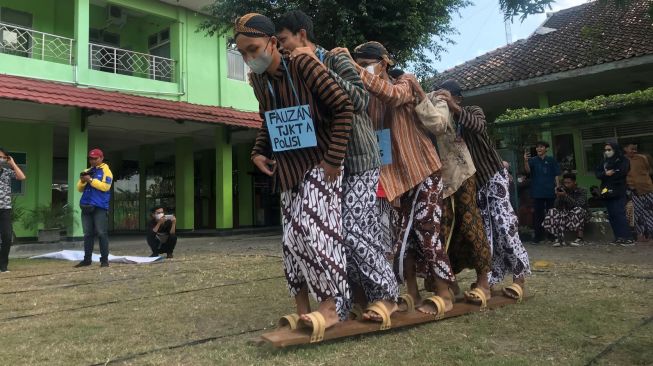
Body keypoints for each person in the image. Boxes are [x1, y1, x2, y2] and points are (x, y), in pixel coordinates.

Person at [276, 10, 399, 322]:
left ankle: (387, 296)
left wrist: (316, 66)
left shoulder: (335, 57)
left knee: (357, 229)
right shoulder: (291, 69)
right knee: (335, 233)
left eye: (284, 40)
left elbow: (358, 99)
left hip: (358, 159)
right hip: (326, 162)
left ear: (301, 34)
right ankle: (352, 299)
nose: (282, 48)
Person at [235, 13, 354, 332]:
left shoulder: (304, 65)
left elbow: (343, 107)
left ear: (273, 43)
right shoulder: (258, 80)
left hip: (320, 163)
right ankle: (302, 309)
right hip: (287, 170)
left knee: (317, 232)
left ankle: (333, 306)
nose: (249, 58)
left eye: (254, 49)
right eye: (243, 52)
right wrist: (258, 151)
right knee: (291, 241)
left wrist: (333, 160)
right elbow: (267, 119)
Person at [334, 42, 456, 316]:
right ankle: (410, 292)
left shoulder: (405, 82)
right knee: (400, 240)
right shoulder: (363, 92)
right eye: (359, 63)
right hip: (391, 177)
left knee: (427, 233)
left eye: (366, 63)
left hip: (423, 169)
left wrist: (352, 67)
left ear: (384, 63)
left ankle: (445, 292)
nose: (363, 68)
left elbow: (391, 95)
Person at [437, 79, 530, 300]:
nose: (443, 102)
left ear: (457, 97)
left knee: (504, 225)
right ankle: (487, 280)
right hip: (471, 184)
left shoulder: (471, 111)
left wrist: (454, 107)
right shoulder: (442, 121)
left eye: (447, 97)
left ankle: (519, 278)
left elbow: (478, 127)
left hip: (492, 175)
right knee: (484, 231)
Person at [421, 88, 493, 305]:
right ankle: (448, 282)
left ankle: (484, 283)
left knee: (471, 223)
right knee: (442, 229)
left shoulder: (451, 106)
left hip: (461, 173)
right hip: (436, 178)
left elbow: (439, 124)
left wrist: (449, 104)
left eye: (450, 94)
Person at [75, 148, 113, 268]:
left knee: (102, 233)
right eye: (90, 158)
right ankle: (87, 260)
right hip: (86, 205)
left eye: (95, 158)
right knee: (87, 234)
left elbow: (105, 187)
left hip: (99, 206)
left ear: (101, 158)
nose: (92, 161)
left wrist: (90, 180)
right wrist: (82, 181)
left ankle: (104, 260)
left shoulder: (107, 171)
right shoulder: (87, 170)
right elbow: (79, 189)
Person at [595, 142, 632, 246]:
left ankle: (627, 237)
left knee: (619, 213)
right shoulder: (604, 161)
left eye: (609, 149)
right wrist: (605, 174)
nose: (607, 152)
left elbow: (621, 172)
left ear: (615, 150)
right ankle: (618, 237)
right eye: (606, 150)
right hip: (606, 190)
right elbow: (598, 174)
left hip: (619, 190)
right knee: (611, 215)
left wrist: (609, 174)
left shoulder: (623, 160)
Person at [524, 141, 561, 243]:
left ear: (546, 149)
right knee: (538, 215)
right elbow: (528, 171)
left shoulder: (551, 160)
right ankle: (538, 237)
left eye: (541, 147)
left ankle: (551, 235)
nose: (538, 149)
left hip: (550, 191)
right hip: (537, 192)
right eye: (537, 147)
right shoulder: (533, 160)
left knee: (551, 214)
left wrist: (557, 186)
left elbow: (556, 174)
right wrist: (526, 161)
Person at [542, 173, 588, 247]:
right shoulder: (563, 190)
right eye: (565, 183)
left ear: (574, 182)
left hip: (581, 213)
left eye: (569, 183)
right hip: (567, 213)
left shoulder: (582, 190)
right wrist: (558, 196)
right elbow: (556, 206)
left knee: (578, 210)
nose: (566, 184)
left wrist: (566, 196)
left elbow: (579, 204)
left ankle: (580, 238)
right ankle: (559, 238)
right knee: (552, 211)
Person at [0, 148, 26, 273]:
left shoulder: (6, 171)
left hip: (5, 209)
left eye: (4, 157)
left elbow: (22, 177)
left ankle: (3, 266)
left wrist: (13, 163)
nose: (1, 159)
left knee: (6, 236)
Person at [624, 143, 653, 242]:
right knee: (638, 214)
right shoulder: (623, 160)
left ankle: (651, 236)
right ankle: (641, 236)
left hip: (647, 189)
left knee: (650, 213)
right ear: (625, 149)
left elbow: (650, 170)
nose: (634, 151)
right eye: (631, 149)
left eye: (635, 149)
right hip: (634, 190)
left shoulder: (643, 158)